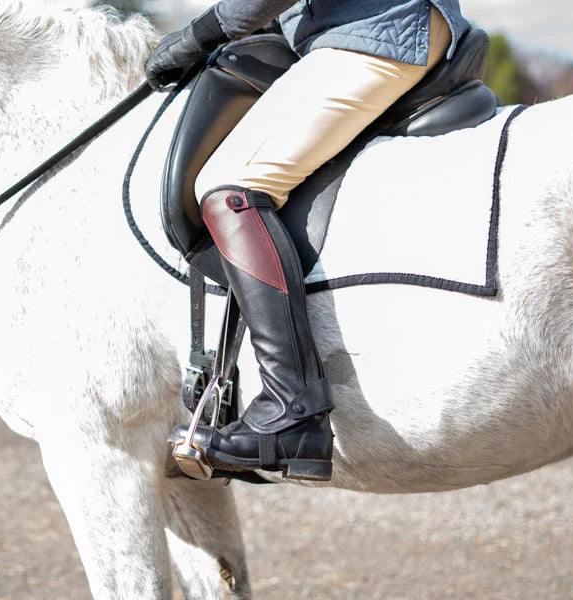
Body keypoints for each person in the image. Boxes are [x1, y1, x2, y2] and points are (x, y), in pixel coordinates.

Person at [145, 1, 471, 481]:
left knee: (228, 188)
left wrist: (206, 31)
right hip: (377, 26)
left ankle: (290, 408)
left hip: (375, 29)